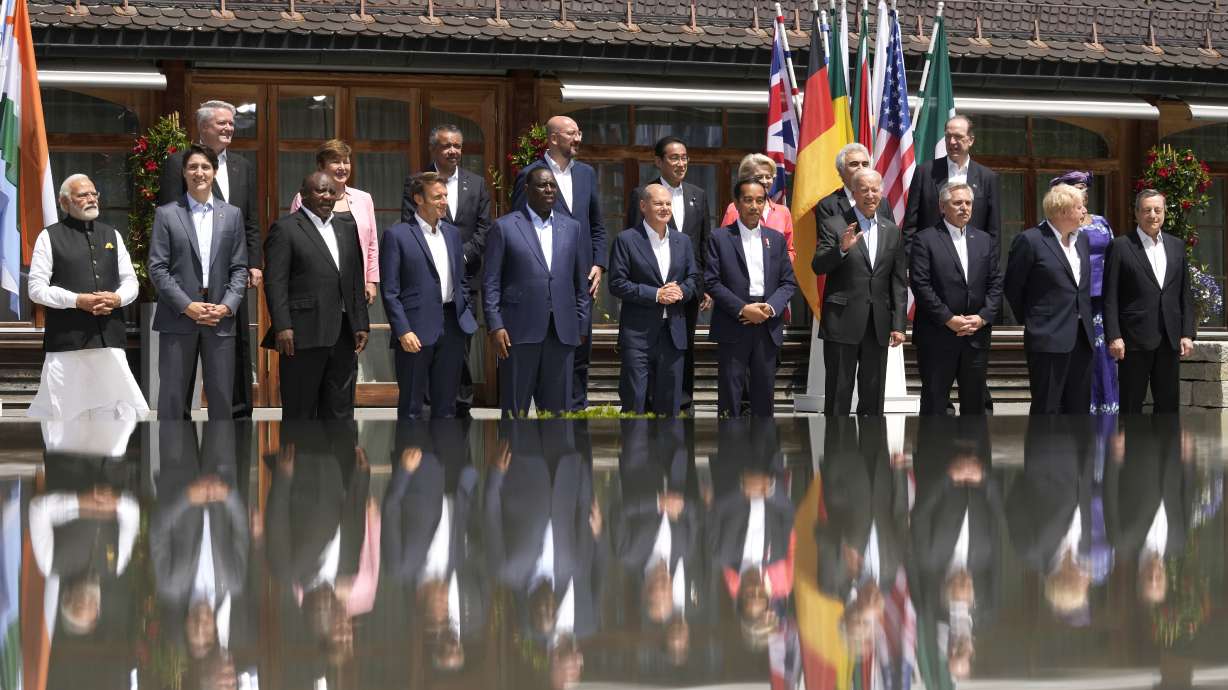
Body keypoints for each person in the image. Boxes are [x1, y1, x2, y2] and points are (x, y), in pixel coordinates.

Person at [158, 100, 261, 418]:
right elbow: (170, 219)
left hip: (231, 274)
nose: (229, 128)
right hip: (188, 276)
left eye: (231, 123)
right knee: (180, 371)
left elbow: (251, 220)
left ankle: (239, 417)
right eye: (222, 123)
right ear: (203, 127)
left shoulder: (243, 165)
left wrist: (253, 262)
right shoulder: (179, 163)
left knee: (235, 344)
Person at [27, 174, 147, 420]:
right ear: (64, 203)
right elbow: (36, 289)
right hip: (67, 344)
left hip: (110, 341)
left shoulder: (112, 234)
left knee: (119, 418)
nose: (91, 199)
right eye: (83, 195)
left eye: (94, 194)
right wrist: (77, 300)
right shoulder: (49, 237)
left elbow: (130, 282)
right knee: (65, 419)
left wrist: (116, 299)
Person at [511, 115, 606, 412]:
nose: (578, 139)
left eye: (579, 133)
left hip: (581, 281)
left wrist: (599, 264)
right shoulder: (530, 174)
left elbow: (597, 225)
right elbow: (518, 229)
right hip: (546, 282)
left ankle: (575, 417)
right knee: (547, 351)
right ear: (553, 139)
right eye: (571, 134)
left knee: (579, 350)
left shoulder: (587, 174)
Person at [148, 145, 249, 421]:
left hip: (219, 319)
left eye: (205, 167)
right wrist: (186, 305)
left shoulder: (232, 215)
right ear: (183, 172)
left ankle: (220, 462)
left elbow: (239, 267)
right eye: (192, 167)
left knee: (221, 403)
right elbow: (157, 267)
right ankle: (174, 464)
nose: (199, 173)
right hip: (178, 316)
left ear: (215, 172)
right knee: (172, 402)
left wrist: (227, 306)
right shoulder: (167, 214)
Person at [403, 124, 494, 418]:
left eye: (457, 145)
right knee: (428, 344)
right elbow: (409, 227)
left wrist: (459, 256)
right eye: (446, 146)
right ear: (433, 149)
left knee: (460, 345)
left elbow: (484, 228)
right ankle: (431, 407)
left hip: (466, 279)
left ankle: (462, 405)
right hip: (427, 280)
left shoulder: (476, 183)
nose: (453, 151)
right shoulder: (416, 182)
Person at [262, 172, 370, 420]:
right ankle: (302, 460)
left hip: (342, 335)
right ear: (303, 194)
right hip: (301, 335)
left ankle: (337, 458)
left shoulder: (346, 227)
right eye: (320, 191)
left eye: (332, 192)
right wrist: (282, 326)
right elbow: (275, 282)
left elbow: (354, 278)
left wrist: (360, 322)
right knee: (301, 412)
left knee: (340, 411)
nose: (327, 197)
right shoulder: (286, 228)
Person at [486, 167, 591, 417]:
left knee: (557, 416)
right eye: (542, 186)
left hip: (562, 332)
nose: (549, 190)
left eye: (552, 186)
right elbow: (491, 281)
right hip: (518, 333)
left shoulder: (572, 228)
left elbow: (580, 283)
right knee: (515, 415)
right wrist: (495, 325)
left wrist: (582, 323)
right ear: (526, 190)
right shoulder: (504, 227)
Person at [626, 136, 713, 411]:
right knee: (653, 348)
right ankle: (651, 403)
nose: (681, 163)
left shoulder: (698, 194)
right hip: (652, 292)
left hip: (688, 289)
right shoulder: (642, 194)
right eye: (674, 158)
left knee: (683, 346)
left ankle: (682, 403)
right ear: (658, 161)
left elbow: (704, 243)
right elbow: (634, 244)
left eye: (684, 157)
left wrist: (704, 285)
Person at [381, 172, 477, 420]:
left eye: (445, 196)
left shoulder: (453, 234)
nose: (444, 201)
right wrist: (403, 330)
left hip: (453, 327)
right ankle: (409, 455)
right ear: (418, 199)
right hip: (415, 331)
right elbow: (390, 291)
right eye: (437, 197)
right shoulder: (398, 235)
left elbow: (461, 279)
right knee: (413, 408)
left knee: (446, 409)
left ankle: (442, 457)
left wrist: (463, 308)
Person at [812, 168, 907, 416]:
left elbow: (897, 281)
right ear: (853, 192)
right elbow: (818, 266)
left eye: (875, 189)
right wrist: (841, 250)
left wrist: (898, 324)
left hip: (878, 325)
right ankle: (835, 452)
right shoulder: (834, 224)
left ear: (882, 193)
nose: (870, 194)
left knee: (873, 401)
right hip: (842, 322)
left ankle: (871, 452)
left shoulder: (892, 230)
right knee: (837, 399)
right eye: (863, 189)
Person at [705, 178, 797, 418]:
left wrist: (768, 308)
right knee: (730, 398)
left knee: (764, 399)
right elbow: (712, 282)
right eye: (748, 200)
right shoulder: (719, 238)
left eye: (759, 200)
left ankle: (763, 453)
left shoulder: (776, 240)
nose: (754, 206)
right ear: (736, 203)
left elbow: (788, 283)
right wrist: (744, 309)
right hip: (733, 323)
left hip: (767, 325)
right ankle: (730, 451)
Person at [909, 182, 1003, 415]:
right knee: (935, 405)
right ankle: (935, 452)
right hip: (937, 336)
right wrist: (949, 319)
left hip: (976, 336)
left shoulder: (984, 240)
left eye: (968, 203)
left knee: (976, 405)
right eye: (957, 203)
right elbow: (921, 285)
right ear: (942, 206)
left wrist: (982, 318)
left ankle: (974, 451)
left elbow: (995, 283)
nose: (964, 208)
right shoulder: (925, 239)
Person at [608, 184, 700, 416]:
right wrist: (656, 294)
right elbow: (617, 283)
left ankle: (666, 452)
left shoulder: (683, 241)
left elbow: (693, 278)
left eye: (668, 204)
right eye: (658, 203)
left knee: (670, 408)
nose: (664, 208)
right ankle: (634, 452)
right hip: (638, 336)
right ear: (643, 206)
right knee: (635, 404)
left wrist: (682, 291)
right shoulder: (626, 240)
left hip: (673, 335)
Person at [1004, 183, 1095, 415]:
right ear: (1063, 211)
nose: (1085, 211)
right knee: (1047, 410)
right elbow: (1013, 288)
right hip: (1047, 338)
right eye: (1080, 207)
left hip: (1082, 339)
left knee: (1079, 410)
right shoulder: (1031, 240)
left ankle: (1077, 453)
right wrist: (1035, 322)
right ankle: (1042, 453)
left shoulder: (1082, 241)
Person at [1104, 189, 1195, 414]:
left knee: (1168, 407)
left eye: (1158, 210)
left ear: (1164, 213)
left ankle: (1166, 450)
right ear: (1136, 214)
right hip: (1133, 340)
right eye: (1146, 210)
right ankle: (1133, 451)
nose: (1153, 215)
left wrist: (1187, 333)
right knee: (1131, 406)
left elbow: (1185, 293)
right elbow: (1110, 296)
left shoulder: (1176, 246)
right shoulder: (1121, 246)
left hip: (1169, 339)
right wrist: (1114, 335)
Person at [1044, 171, 1120, 413]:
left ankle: (1106, 418)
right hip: (1073, 305)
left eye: (1085, 188)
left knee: (1104, 360)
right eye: (1077, 188)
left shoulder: (1101, 222)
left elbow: (1113, 257)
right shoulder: (1055, 227)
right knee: (1079, 364)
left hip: (1102, 302)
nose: (1083, 192)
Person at [290, 139, 380, 305]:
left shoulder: (364, 199)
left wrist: (371, 281)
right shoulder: (304, 198)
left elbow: (372, 243)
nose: (342, 167)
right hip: (316, 285)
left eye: (346, 161)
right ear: (321, 167)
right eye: (335, 162)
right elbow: (294, 241)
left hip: (355, 284)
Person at [902, 115, 1000, 250]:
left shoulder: (987, 177)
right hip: (930, 259)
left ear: (971, 140)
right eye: (948, 136)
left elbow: (993, 230)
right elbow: (910, 225)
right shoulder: (925, 172)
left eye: (958, 137)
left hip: (972, 260)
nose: (952, 142)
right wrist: (910, 263)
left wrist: (991, 268)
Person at [720, 153, 796, 261]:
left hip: (775, 276)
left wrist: (780, 267)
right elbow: (724, 245)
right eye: (759, 177)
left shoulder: (783, 212)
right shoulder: (734, 209)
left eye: (768, 177)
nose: (765, 181)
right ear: (746, 179)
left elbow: (789, 250)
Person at [815, 142, 877, 222]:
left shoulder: (882, 203)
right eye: (854, 164)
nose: (861, 168)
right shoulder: (828, 205)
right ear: (841, 171)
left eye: (865, 164)